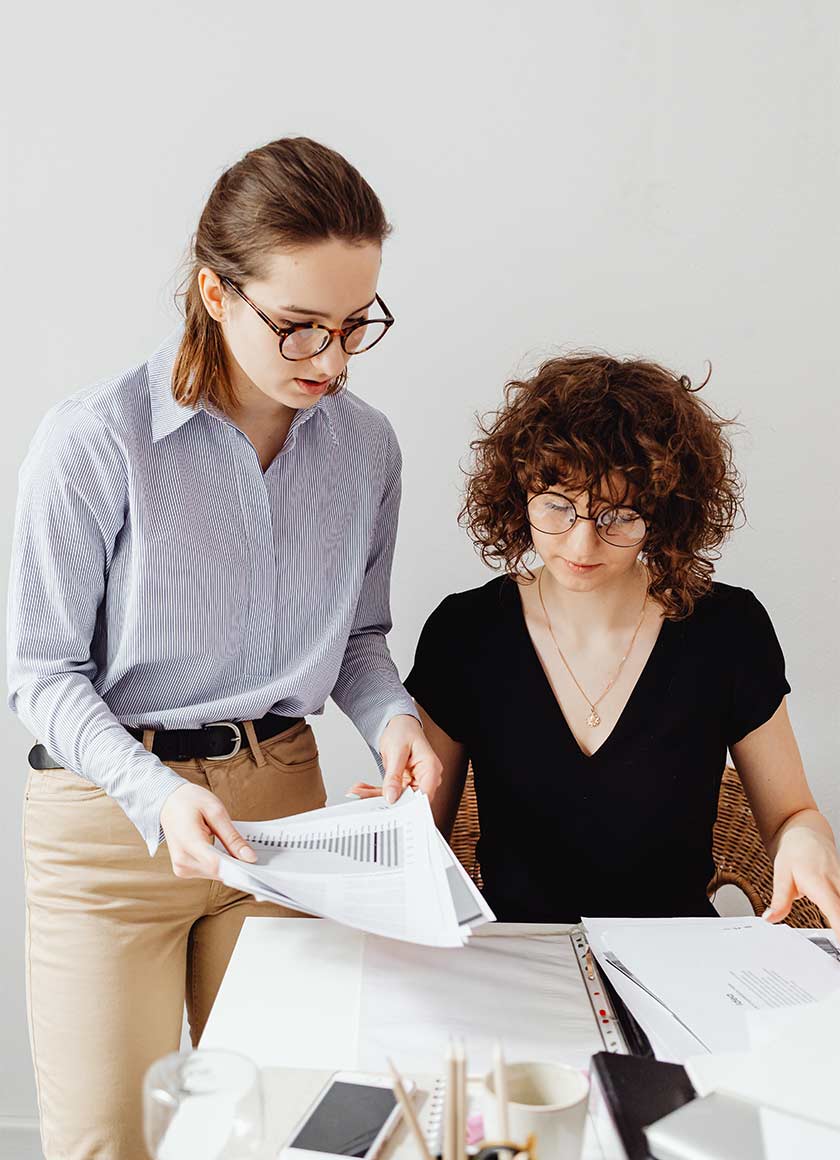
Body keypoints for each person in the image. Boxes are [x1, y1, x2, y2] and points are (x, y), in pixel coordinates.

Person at [7, 136, 441, 1160]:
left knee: (288, 1133)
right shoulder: (94, 440)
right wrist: (159, 798)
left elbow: (360, 640)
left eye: (353, 325)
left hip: (285, 815)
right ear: (214, 291)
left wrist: (395, 721)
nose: (330, 359)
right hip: (113, 824)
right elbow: (40, 671)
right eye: (298, 327)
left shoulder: (365, 444)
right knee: (110, 1142)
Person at [355, 354, 840, 934]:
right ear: (519, 495)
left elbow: (792, 813)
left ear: (664, 511)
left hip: (679, 965)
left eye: (617, 515)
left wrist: (805, 841)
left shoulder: (728, 629)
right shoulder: (468, 632)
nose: (582, 542)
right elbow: (423, 840)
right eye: (557, 506)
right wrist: (388, 826)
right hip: (514, 957)